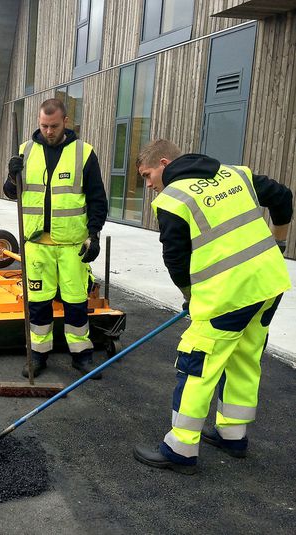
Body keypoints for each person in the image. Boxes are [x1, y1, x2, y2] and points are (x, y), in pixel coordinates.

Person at [132, 139, 292, 474]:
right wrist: (278, 242)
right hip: (268, 285)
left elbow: (175, 260)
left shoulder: (174, 199)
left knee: (196, 365)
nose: (149, 185)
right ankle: (233, 435)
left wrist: (191, 297)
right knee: (244, 358)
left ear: (164, 163)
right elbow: (283, 196)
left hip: (227, 297)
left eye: (148, 175)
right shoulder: (236, 174)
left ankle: (180, 449)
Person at [4, 98, 108, 379]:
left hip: (71, 245)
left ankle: (82, 357)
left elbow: (98, 199)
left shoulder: (83, 153)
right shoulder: (25, 151)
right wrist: (13, 176)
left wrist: (94, 235)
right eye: (43, 125)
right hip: (36, 246)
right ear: (38, 123)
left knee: (76, 303)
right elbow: (11, 193)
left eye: (54, 126)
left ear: (65, 122)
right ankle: (38, 355)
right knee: (37, 304)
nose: (48, 131)